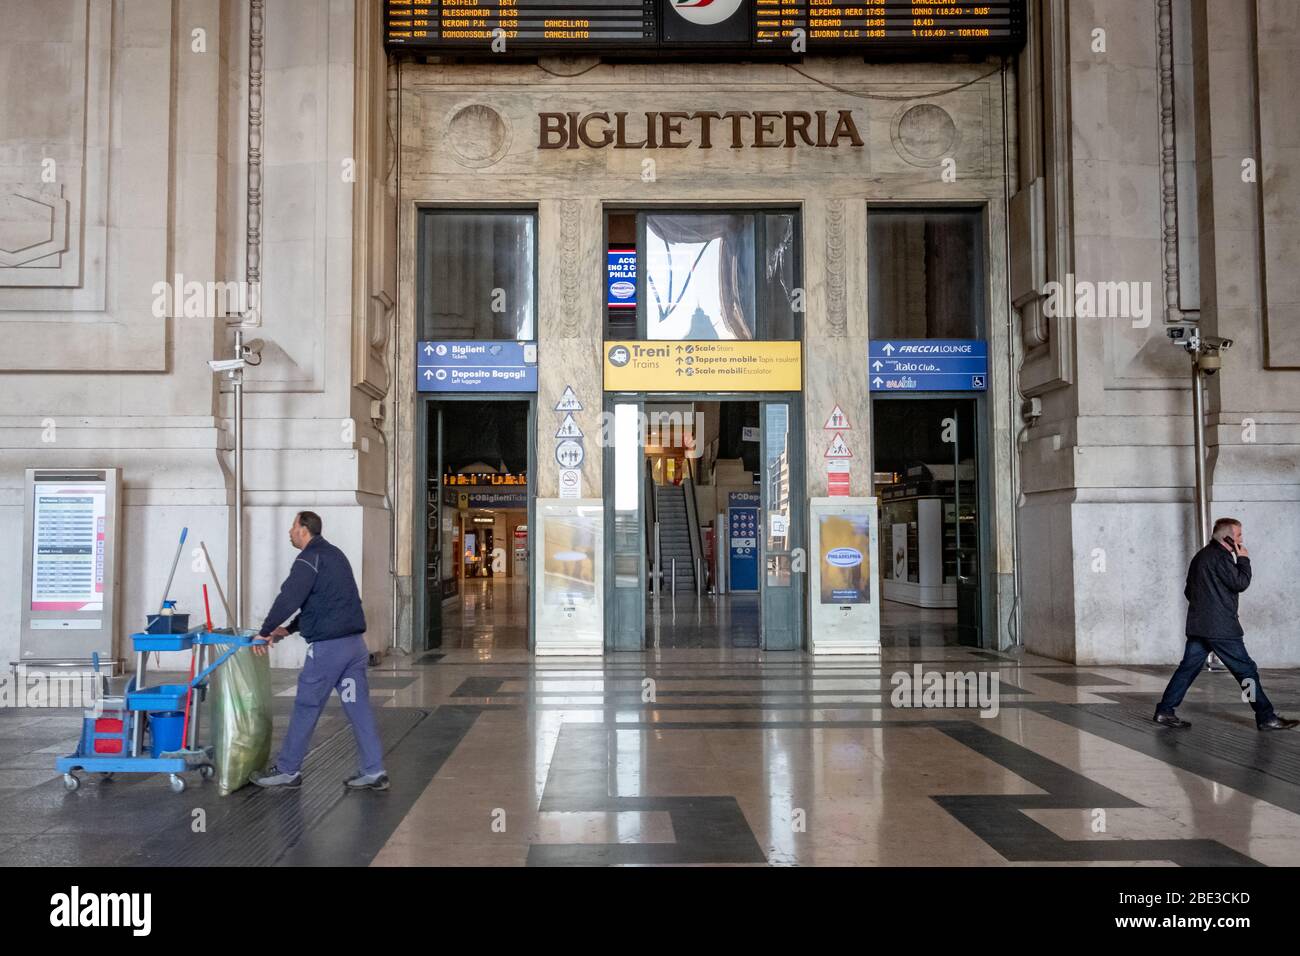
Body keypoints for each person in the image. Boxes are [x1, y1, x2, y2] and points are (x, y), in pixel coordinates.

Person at [249, 511, 390, 790]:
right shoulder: (335, 555)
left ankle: (288, 770)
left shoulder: (307, 559)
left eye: (292, 526)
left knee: (306, 706)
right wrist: (288, 630)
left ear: (303, 529)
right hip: (354, 647)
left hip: (328, 651)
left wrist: (264, 632)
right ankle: (374, 770)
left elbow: (290, 598)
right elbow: (327, 602)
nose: (289, 531)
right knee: (358, 707)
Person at [1154, 518, 1297, 731]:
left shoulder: (1201, 556)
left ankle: (1165, 711)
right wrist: (1243, 560)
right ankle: (1265, 716)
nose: (1241, 539)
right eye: (1238, 535)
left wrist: (1207, 607)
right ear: (1226, 537)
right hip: (1221, 629)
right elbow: (1240, 583)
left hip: (1199, 626)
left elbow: (1188, 591)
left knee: (1187, 669)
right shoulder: (1221, 558)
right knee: (1245, 671)